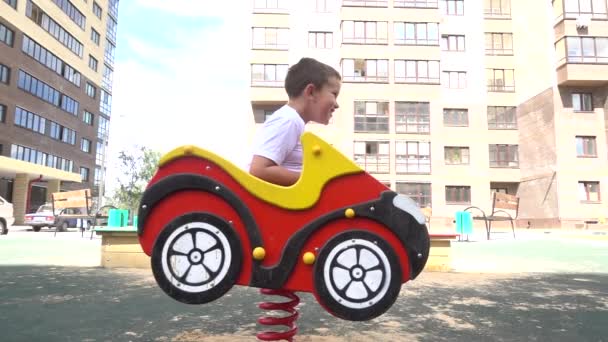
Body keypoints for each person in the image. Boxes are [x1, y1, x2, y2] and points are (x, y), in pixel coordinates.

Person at [248, 57, 341, 186]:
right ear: (311, 92)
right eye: (334, 94)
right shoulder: (288, 120)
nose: (337, 105)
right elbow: (259, 170)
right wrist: (318, 182)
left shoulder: (293, 121)